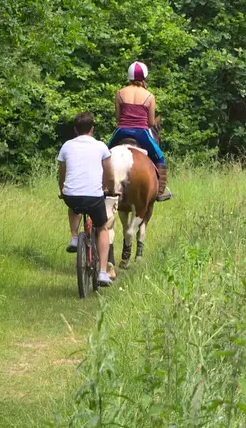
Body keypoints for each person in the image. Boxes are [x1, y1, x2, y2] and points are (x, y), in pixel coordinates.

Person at [57, 111, 117, 284]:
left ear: (75, 130)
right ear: (92, 129)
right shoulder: (101, 146)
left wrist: (62, 190)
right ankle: (103, 273)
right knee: (102, 228)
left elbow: (62, 173)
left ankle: (75, 237)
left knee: (73, 206)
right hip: (94, 197)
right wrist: (108, 188)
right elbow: (110, 174)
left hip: (72, 196)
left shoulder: (67, 146)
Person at [109, 61, 172, 201]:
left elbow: (118, 117)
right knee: (160, 157)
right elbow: (150, 123)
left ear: (129, 76)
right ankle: (161, 192)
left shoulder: (120, 93)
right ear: (145, 77)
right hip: (141, 133)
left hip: (121, 131)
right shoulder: (149, 96)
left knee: (104, 156)